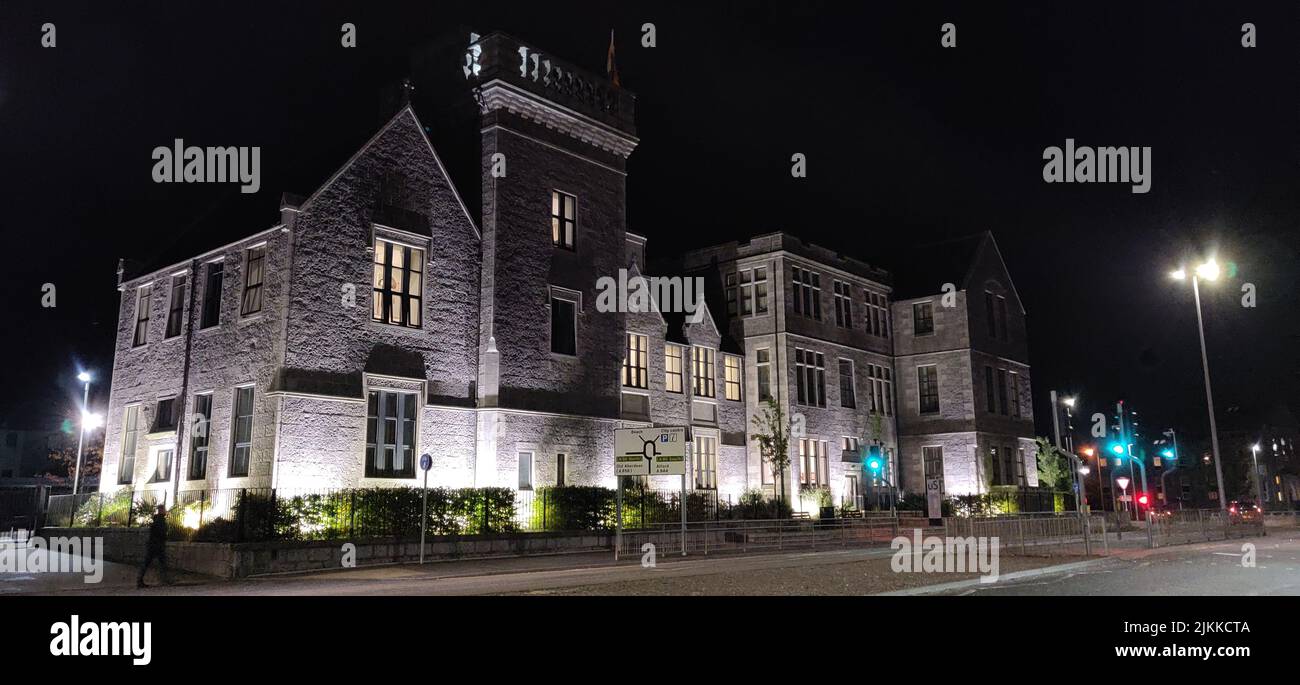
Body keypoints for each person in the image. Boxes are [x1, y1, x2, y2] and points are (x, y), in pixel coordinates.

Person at [137, 503, 170, 588]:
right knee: (160, 562)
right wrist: (165, 536)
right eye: (164, 509)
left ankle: (140, 580)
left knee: (152, 562)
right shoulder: (160, 520)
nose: (165, 511)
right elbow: (161, 533)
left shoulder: (157, 520)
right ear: (161, 510)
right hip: (157, 545)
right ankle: (164, 580)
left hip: (153, 545)